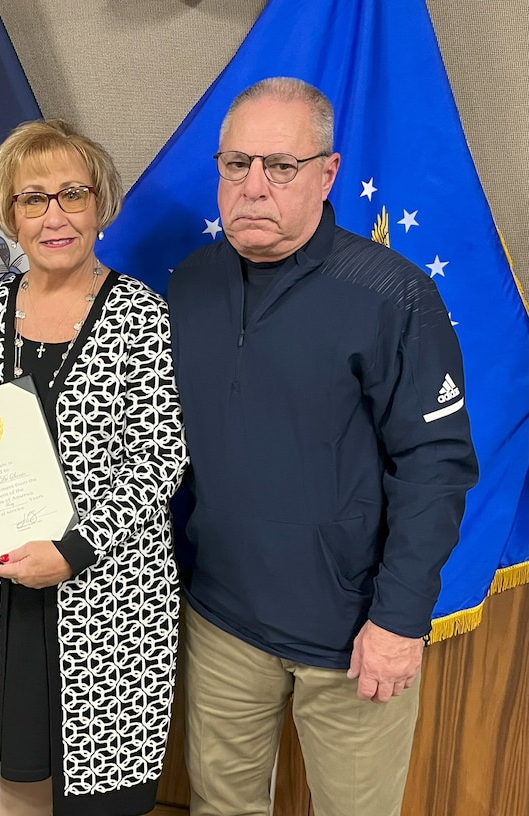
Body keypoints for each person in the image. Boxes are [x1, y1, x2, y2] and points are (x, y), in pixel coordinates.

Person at [168, 77, 479, 816]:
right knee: (220, 807)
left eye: (281, 166)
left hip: (353, 630)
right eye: (235, 164)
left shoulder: (393, 296)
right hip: (221, 617)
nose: (253, 187)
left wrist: (400, 620)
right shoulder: (190, 282)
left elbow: (436, 467)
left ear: (328, 173)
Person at [0, 119, 188, 816]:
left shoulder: (140, 316)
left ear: (101, 204)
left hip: (106, 602)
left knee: (96, 798)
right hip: (0, 600)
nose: (54, 216)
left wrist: (73, 550)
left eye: (72, 194)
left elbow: (160, 458)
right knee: (15, 780)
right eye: (34, 199)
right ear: (10, 214)